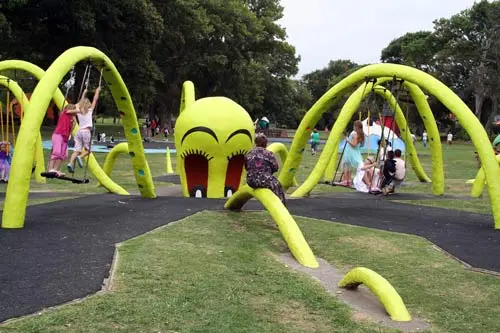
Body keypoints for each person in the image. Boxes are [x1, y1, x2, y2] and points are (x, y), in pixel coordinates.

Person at [244, 133, 286, 205]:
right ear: (266, 143)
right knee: (277, 185)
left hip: (250, 180)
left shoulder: (249, 153)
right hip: (263, 179)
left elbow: (246, 167)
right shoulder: (268, 153)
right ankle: (281, 205)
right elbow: (275, 167)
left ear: (256, 143)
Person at [67, 87, 101, 173]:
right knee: (88, 150)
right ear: (89, 104)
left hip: (79, 132)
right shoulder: (90, 110)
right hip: (86, 132)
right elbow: (95, 99)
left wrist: (84, 93)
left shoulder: (78, 110)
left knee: (77, 150)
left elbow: (75, 106)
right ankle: (80, 157)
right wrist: (97, 91)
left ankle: (70, 163)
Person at [47, 103, 77, 176]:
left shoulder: (71, 120)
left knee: (63, 155)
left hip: (65, 137)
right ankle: (50, 169)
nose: (75, 112)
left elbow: (70, 131)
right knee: (56, 152)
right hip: (58, 135)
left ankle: (56, 170)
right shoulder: (64, 113)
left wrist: (74, 123)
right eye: (74, 110)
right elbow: (73, 110)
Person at [339, 120, 365, 186]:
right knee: (348, 165)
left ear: (356, 126)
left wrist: (347, 140)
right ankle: (349, 180)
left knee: (345, 165)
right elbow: (360, 145)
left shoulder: (354, 133)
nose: (353, 127)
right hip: (356, 151)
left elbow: (354, 144)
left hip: (350, 151)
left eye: (354, 125)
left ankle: (345, 180)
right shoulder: (361, 133)